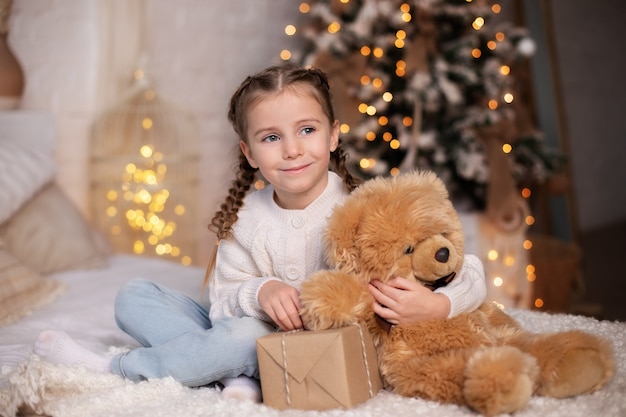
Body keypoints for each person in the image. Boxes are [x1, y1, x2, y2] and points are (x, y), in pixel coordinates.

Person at [33, 63, 487, 402]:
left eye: (306, 130)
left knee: (239, 339)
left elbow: (466, 269)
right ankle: (238, 377)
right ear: (250, 153)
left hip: (311, 345)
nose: (292, 150)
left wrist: (438, 304)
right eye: (271, 138)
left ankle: (120, 366)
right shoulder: (246, 219)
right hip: (245, 330)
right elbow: (221, 301)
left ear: (332, 137)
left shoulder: (365, 207)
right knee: (134, 294)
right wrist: (262, 290)